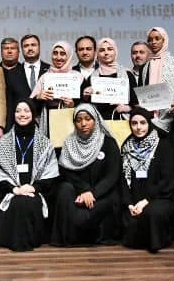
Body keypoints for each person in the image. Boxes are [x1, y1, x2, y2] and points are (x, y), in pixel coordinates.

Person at [0, 99, 58, 251]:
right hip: (9, 192)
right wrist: (13, 189)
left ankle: (23, 243)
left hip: (34, 192)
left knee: (25, 202)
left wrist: (33, 188)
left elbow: (50, 174)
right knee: (17, 202)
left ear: (33, 114)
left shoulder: (45, 142)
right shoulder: (4, 142)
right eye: (18, 111)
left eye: (26, 111)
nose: (22, 114)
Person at [50, 104, 122, 246]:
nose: (83, 124)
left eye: (88, 119)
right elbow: (65, 171)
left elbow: (112, 175)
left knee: (84, 216)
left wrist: (92, 193)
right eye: (79, 120)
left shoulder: (108, 142)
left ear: (95, 120)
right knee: (64, 189)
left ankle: (87, 237)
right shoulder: (69, 142)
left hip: (101, 194)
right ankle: (66, 239)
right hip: (78, 194)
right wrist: (84, 190)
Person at [118, 111, 174, 253]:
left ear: (149, 124)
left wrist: (146, 201)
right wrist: (129, 204)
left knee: (153, 213)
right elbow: (123, 179)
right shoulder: (127, 146)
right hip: (134, 199)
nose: (138, 127)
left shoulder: (163, 145)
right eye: (134, 123)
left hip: (159, 197)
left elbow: (167, 180)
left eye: (143, 123)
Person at [83, 37, 130, 121]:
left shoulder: (127, 74)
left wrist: (127, 108)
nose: (106, 53)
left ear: (115, 51)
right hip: (99, 122)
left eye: (110, 49)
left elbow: (136, 103)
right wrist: (86, 97)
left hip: (122, 121)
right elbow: (86, 106)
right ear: (97, 54)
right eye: (102, 50)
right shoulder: (92, 77)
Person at [6, 33, 50, 115]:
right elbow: (10, 106)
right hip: (21, 122)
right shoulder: (11, 74)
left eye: (33, 45)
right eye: (26, 46)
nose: (30, 48)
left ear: (39, 47)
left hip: (47, 121)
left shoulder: (51, 70)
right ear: (21, 50)